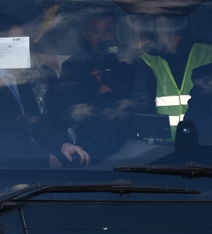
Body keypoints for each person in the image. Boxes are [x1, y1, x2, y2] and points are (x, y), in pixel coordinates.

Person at [0, 11, 80, 167]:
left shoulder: (18, 78)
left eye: (24, 42)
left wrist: (63, 145)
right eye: (16, 43)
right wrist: (42, 155)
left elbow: (35, 121)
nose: (24, 49)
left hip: (18, 164)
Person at [51, 11, 151, 164]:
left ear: (115, 33)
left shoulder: (130, 61)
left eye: (108, 30)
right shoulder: (74, 65)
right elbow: (63, 111)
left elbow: (142, 101)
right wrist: (86, 85)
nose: (103, 37)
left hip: (129, 145)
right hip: (90, 148)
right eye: (96, 31)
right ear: (85, 33)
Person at [140, 16, 212, 137]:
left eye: (161, 31)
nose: (156, 36)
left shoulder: (209, 52)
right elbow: (143, 104)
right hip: (161, 148)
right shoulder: (148, 60)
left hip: (201, 142)